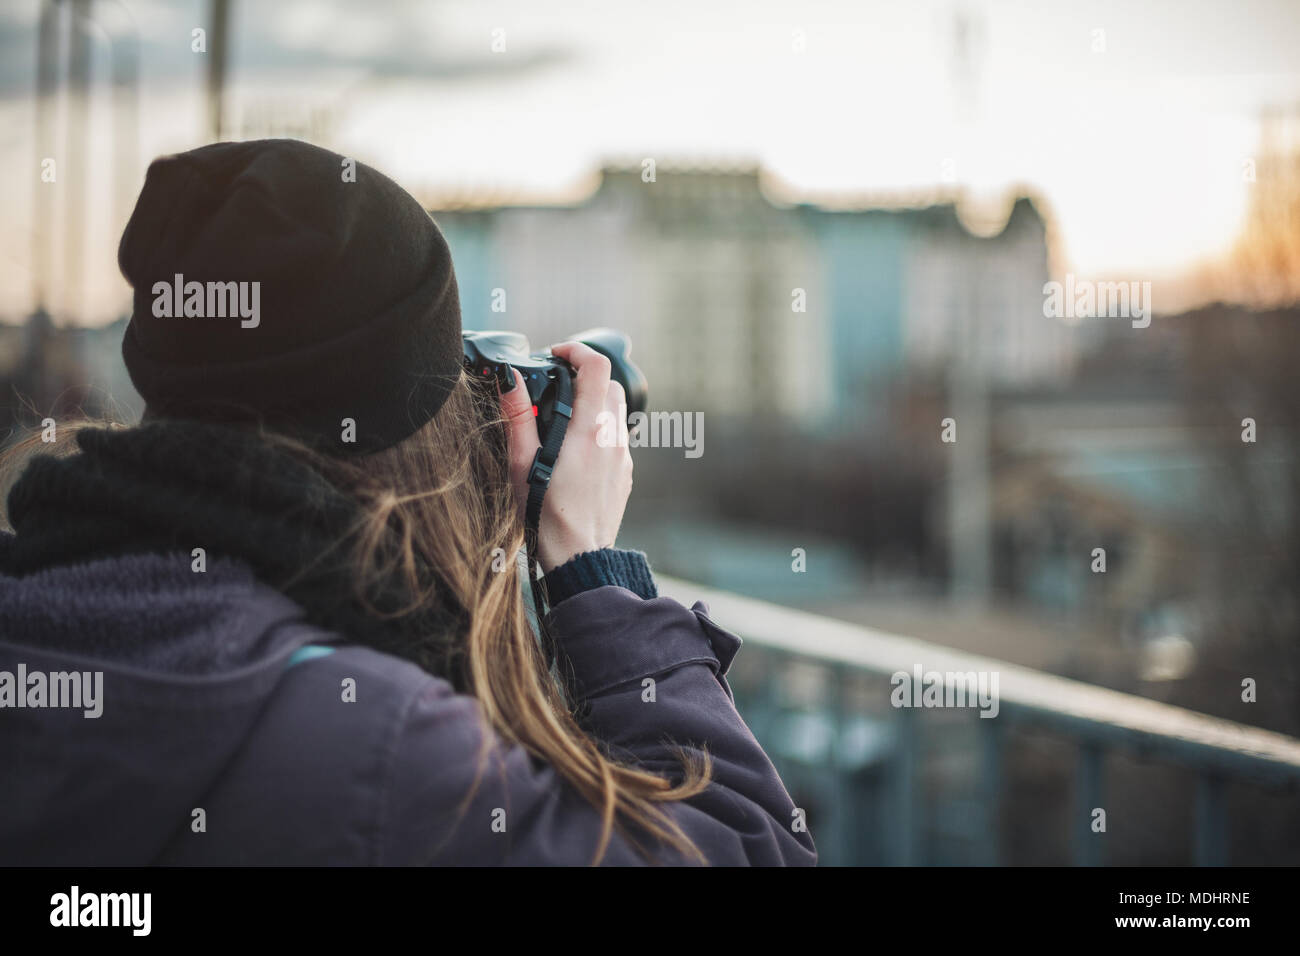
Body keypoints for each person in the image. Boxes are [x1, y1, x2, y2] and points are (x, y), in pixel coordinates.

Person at [0, 139, 815, 866]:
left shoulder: (39, 611)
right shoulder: (379, 750)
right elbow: (753, 847)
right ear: (416, 428)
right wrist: (593, 572)